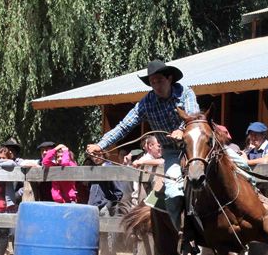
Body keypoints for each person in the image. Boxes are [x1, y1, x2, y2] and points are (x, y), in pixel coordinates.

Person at [86, 59, 200, 234]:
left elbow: (193, 116)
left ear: (170, 79)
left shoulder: (185, 93)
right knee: (173, 192)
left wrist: (181, 130)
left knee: (236, 164)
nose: (156, 86)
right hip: (171, 152)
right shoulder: (146, 103)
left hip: (195, 147)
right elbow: (124, 126)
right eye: (153, 82)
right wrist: (101, 145)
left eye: (159, 81)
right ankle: (181, 233)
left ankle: (256, 199)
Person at [130, 135, 164, 206]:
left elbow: (162, 161)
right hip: (140, 199)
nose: (161, 149)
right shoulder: (144, 158)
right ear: (150, 146)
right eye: (159, 146)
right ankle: (151, 202)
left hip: (147, 196)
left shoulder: (144, 161)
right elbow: (162, 162)